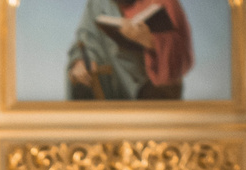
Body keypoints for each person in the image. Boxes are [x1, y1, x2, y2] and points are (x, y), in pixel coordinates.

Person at [66, 0, 194, 100]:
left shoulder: (166, 2)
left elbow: (182, 51)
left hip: (150, 83)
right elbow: (85, 38)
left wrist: (151, 41)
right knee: (81, 83)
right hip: (109, 81)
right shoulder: (98, 3)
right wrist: (80, 61)